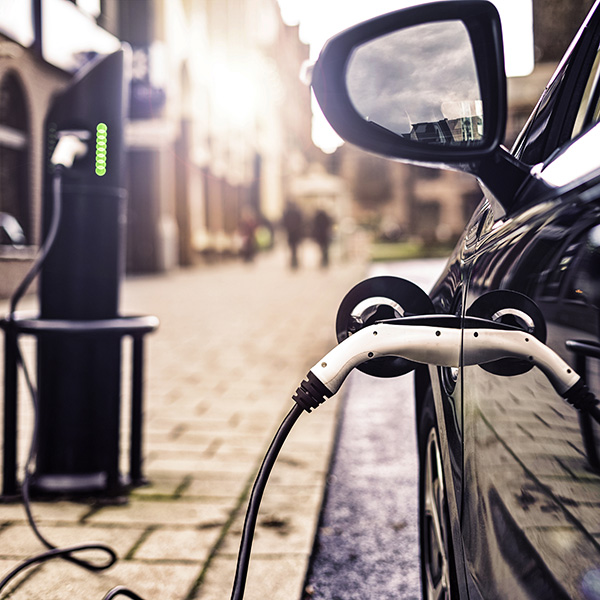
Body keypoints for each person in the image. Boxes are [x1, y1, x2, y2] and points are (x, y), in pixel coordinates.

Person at [282, 202, 303, 269]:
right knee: (294, 248)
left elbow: (284, 223)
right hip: (294, 234)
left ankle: (293, 261)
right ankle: (294, 261)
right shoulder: (295, 213)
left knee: (293, 248)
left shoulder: (288, 213)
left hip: (292, 234)